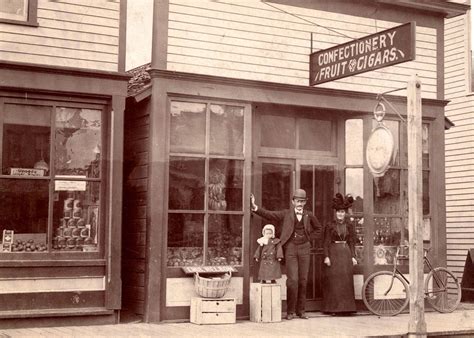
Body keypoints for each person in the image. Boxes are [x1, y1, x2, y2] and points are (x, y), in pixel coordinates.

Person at [250, 189, 321, 320]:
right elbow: (270, 215)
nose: (300, 204)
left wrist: (308, 238)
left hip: (305, 249)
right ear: (293, 202)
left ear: (305, 203)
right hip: (290, 249)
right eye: (298, 201)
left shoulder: (309, 215)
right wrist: (255, 208)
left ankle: (302, 311)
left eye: (302, 201)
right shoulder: (286, 214)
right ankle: (290, 311)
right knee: (292, 280)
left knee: (303, 280)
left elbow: (319, 229)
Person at [322, 193, 358, 315]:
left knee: (346, 280)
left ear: (345, 213)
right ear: (335, 213)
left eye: (342, 212)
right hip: (334, 253)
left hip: (345, 253)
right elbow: (326, 242)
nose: (340, 214)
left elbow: (352, 242)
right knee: (334, 281)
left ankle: (347, 308)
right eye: (338, 212)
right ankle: (333, 309)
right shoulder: (330, 225)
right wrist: (326, 256)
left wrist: (353, 256)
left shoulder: (349, 225)